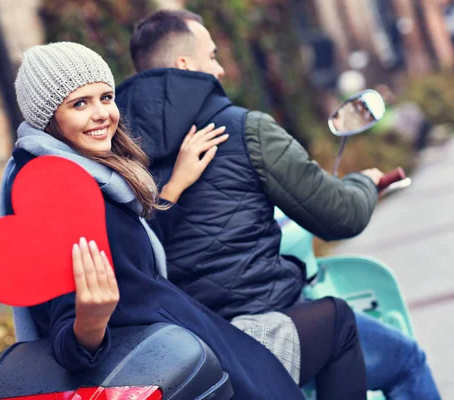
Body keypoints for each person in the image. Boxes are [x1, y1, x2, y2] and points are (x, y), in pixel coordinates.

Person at [0, 41, 368, 399]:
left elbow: (123, 253)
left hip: (173, 341)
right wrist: (90, 321)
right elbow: (65, 335)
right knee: (338, 322)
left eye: (106, 98)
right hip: (165, 358)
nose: (102, 114)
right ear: (47, 117)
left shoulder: (83, 175)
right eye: (80, 103)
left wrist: (174, 187)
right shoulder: (55, 189)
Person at [116, 9, 441, 400]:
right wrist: (364, 183)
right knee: (402, 358)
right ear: (184, 64)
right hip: (263, 330)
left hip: (189, 348)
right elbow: (340, 216)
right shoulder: (243, 129)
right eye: (213, 56)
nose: (219, 68)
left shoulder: (121, 154)